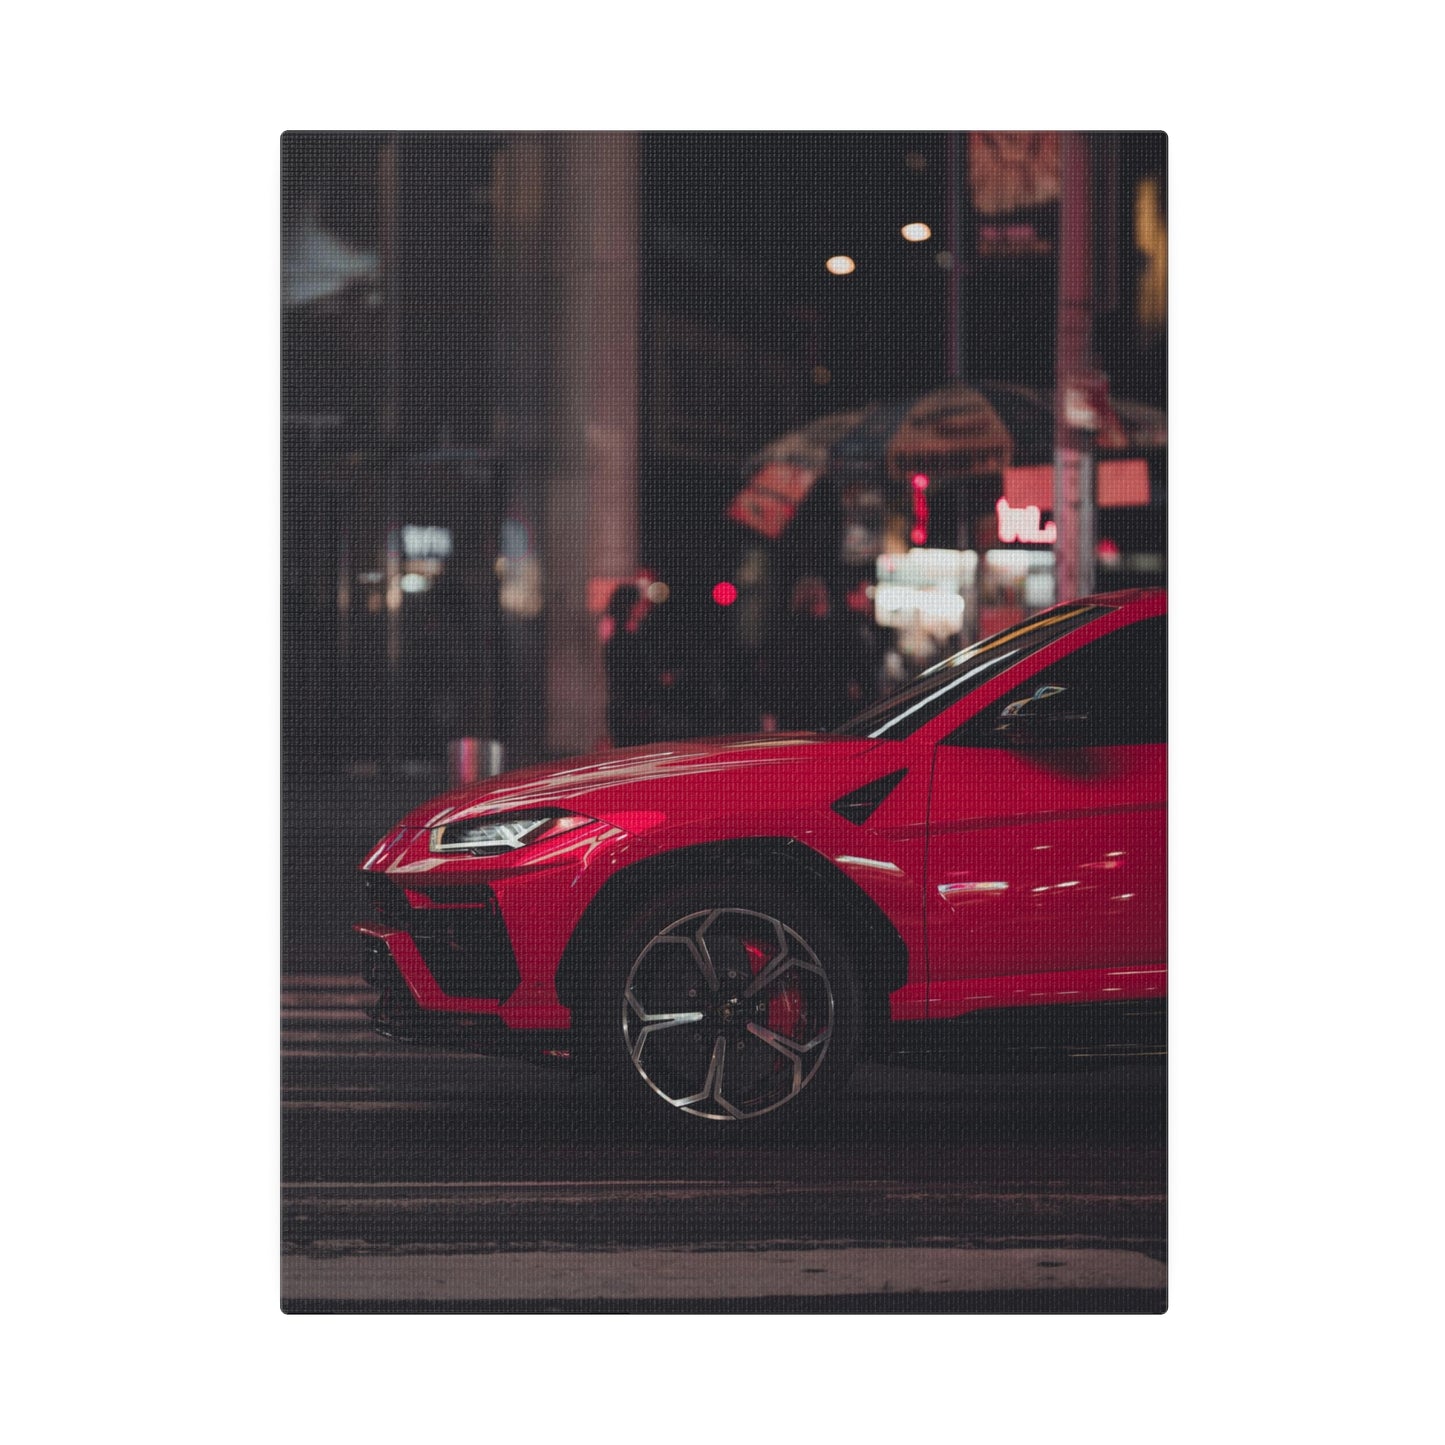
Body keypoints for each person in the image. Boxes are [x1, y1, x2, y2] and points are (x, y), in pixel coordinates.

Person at [761, 578, 874, 732]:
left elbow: (771, 677)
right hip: (830, 710)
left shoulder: (783, 633)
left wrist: (769, 712)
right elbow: (853, 670)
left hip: (792, 712)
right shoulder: (834, 632)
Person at [601, 584, 653, 746]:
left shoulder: (622, 638)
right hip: (634, 712)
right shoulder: (625, 641)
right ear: (630, 606)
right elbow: (633, 678)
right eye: (639, 602)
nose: (643, 607)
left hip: (627, 710)